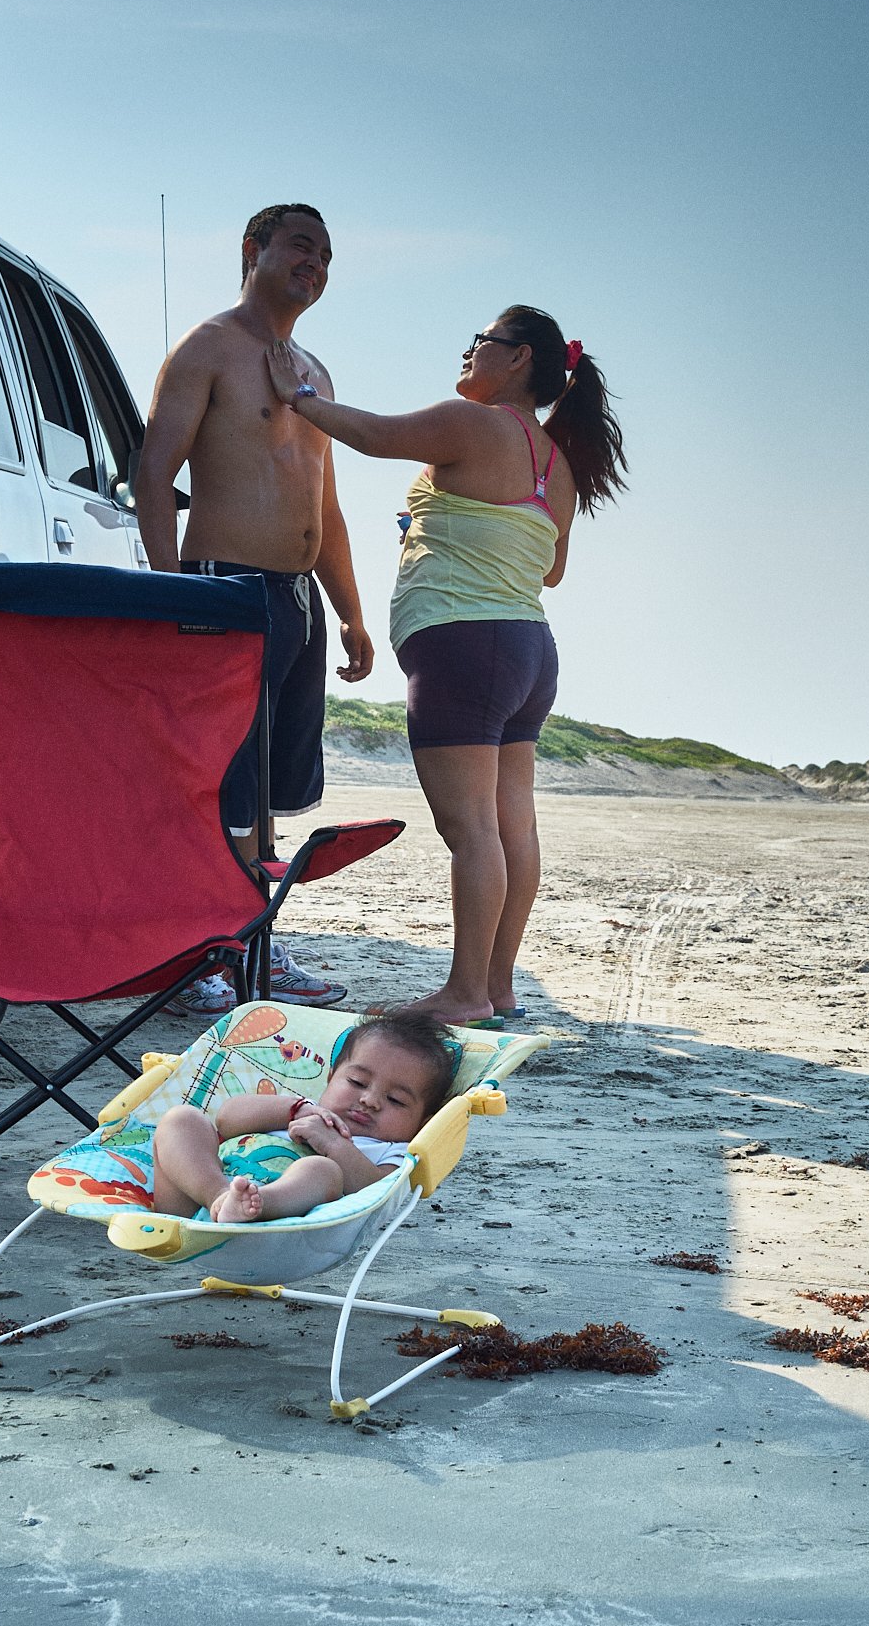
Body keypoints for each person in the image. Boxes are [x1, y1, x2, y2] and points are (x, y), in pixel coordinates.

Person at [266, 305, 626, 1027]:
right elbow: (549, 570)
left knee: (470, 830)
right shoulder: (555, 462)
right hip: (528, 650)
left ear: (519, 358)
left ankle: (463, 993)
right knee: (509, 827)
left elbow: (375, 437)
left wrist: (300, 399)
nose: (467, 354)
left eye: (481, 343)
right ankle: (496, 989)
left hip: (464, 646)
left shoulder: (474, 424)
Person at [135, 204, 374, 1010]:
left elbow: (327, 506)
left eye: (327, 253)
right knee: (216, 786)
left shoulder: (315, 373)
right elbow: (153, 473)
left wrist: (349, 612)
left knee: (267, 793)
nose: (317, 262)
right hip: (223, 586)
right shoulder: (208, 347)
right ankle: (197, 953)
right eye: (301, 245)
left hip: (296, 599)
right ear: (253, 250)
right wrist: (172, 596)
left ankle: (254, 941)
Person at [150, 1010, 455, 1222]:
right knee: (182, 1119)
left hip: (278, 1226)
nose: (369, 1100)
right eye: (357, 1083)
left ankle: (254, 1205)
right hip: (194, 1202)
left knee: (322, 1169)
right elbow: (227, 1119)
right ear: (331, 1077)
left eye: (396, 1100)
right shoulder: (302, 1109)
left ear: (423, 1122)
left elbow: (375, 1193)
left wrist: (333, 1145)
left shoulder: (394, 1151)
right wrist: (294, 1109)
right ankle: (220, 1198)